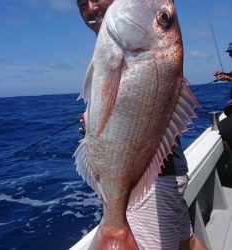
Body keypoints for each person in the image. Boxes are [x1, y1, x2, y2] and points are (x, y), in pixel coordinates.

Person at [77, 1, 207, 249]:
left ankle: (115, 226)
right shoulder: (113, 46)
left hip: (151, 183)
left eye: (162, 18)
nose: (91, 8)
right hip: (165, 173)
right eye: (83, 3)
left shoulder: (142, 52)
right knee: (186, 242)